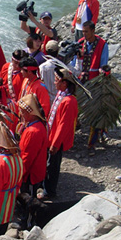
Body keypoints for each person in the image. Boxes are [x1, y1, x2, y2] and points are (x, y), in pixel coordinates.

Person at [38, 65, 78, 200]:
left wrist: (55, 144)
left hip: (57, 140)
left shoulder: (69, 101)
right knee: (49, 163)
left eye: (56, 80)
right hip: (52, 136)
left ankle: (49, 191)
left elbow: (63, 125)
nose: (54, 82)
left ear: (64, 83)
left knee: (52, 166)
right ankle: (45, 186)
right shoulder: (61, 95)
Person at [18, 93, 48, 195]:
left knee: (29, 197)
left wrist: (20, 173)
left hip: (30, 174)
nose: (21, 114)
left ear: (31, 112)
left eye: (23, 112)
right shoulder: (37, 125)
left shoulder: (33, 131)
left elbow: (28, 157)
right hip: (33, 170)